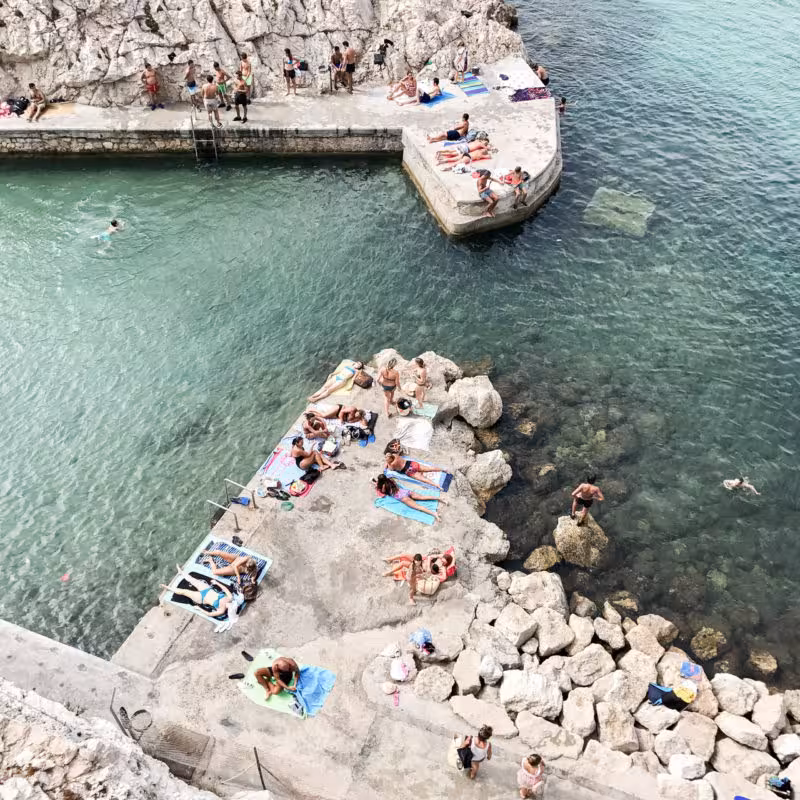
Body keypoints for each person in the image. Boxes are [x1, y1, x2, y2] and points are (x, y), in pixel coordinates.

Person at [161, 566, 237, 618]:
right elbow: (224, 588)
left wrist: (199, 609)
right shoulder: (229, 597)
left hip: (202, 598)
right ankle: (181, 572)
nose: (229, 605)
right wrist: (216, 583)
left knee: (184, 592)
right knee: (193, 580)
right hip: (207, 590)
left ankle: (168, 588)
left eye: (230, 608)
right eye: (231, 605)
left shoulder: (221, 610)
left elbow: (209, 614)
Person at [374, 474, 446, 523]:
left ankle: (434, 514)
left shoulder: (383, 486)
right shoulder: (391, 480)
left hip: (402, 497)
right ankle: (439, 498)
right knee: (422, 497)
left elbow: (383, 493)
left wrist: (378, 486)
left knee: (419, 507)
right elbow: (395, 484)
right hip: (405, 491)